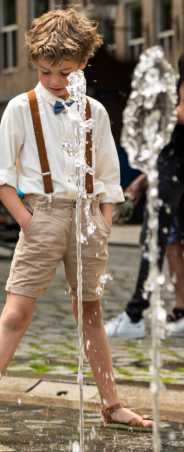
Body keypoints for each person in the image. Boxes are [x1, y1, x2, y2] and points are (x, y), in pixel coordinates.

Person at [0, 9, 153, 446]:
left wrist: (104, 220)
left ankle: (111, 404)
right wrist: (28, 221)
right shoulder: (21, 108)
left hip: (88, 217)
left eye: (65, 72)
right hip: (43, 215)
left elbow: (110, 177)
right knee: (16, 313)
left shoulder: (96, 112)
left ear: (83, 65)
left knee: (89, 311)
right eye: (45, 71)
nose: (54, 80)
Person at [105, 53, 184, 338]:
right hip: (172, 163)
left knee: (155, 238)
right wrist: (142, 180)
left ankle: (135, 316)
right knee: (166, 238)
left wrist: (161, 111)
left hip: (174, 164)